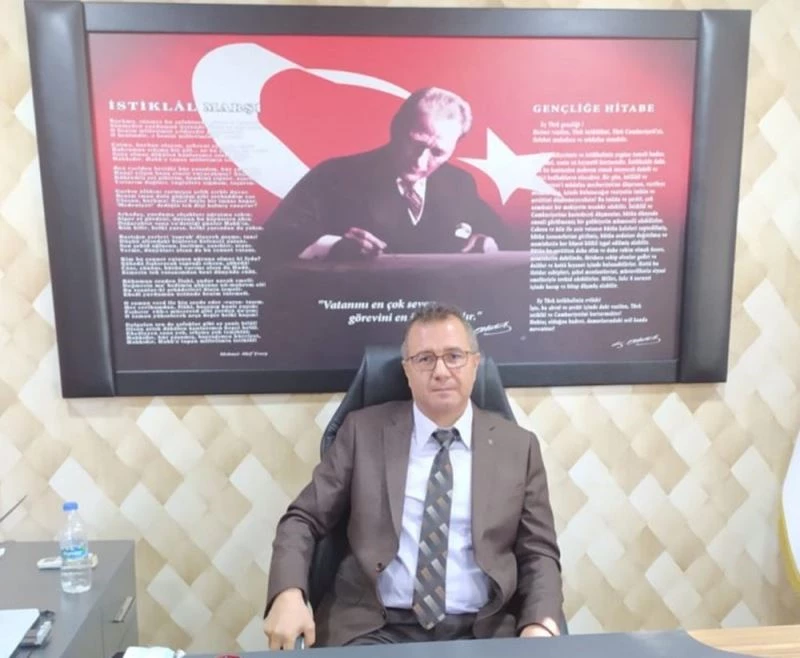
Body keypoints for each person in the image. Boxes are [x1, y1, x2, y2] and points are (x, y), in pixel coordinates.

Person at [263, 302, 563, 648]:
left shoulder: (519, 447)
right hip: (374, 629)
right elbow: (302, 519)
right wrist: (288, 592)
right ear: (407, 370)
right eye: (425, 359)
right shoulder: (363, 433)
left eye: (454, 356)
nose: (441, 371)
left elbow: (538, 551)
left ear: (475, 363)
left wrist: (540, 623)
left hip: (483, 629)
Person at [257, 87, 509, 262]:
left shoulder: (459, 184)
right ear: (395, 128)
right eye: (415, 143)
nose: (420, 161)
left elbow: (508, 238)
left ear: (454, 147)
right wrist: (333, 246)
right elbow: (272, 240)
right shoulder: (333, 176)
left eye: (437, 152)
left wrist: (488, 243)